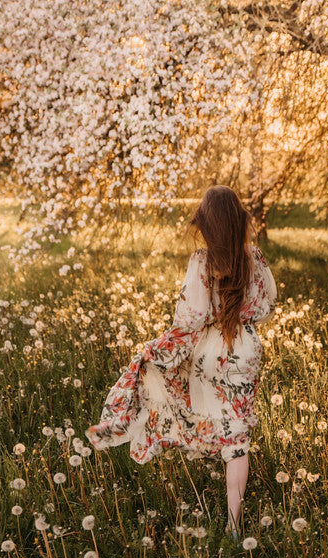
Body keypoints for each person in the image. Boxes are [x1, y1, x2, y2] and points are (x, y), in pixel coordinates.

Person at [85, 185, 277, 539]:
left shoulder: (202, 261)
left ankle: (122, 427)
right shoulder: (256, 257)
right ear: (238, 220)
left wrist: (157, 349)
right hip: (246, 350)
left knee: (188, 406)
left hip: (209, 352)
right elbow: (266, 307)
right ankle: (234, 524)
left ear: (207, 223)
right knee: (237, 436)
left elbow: (191, 318)